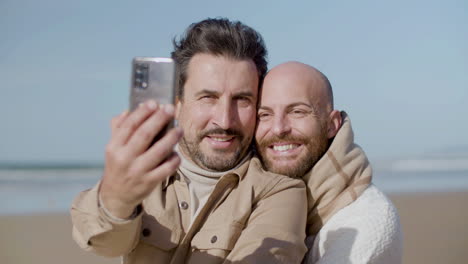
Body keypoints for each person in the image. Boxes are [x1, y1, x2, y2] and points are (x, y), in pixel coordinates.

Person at [70, 19, 308, 264]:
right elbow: (105, 243)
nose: (225, 120)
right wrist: (118, 198)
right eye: (208, 97)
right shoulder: (143, 175)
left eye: (242, 99)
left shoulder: (280, 192)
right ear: (177, 103)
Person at [255, 61, 403, 263]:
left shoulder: (368, 220)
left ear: (331, 125)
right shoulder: (251, 196)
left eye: (297, 111)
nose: (279, 128)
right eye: (265, 115)